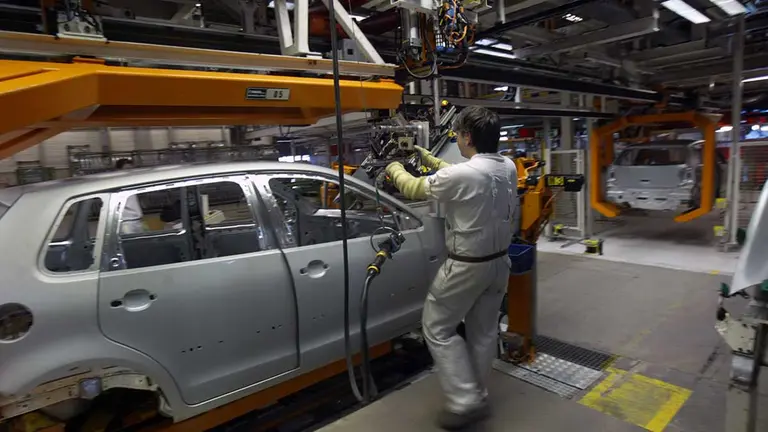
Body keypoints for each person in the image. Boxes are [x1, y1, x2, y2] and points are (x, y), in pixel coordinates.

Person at [385, 106, 517, 430]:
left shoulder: (463, 175)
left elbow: (415, 188)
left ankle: (463, 400)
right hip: (499, 264)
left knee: (437, 327)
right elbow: (460, 176)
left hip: (466, 267)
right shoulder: (508, 167)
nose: (456, 138)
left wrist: (392, 167)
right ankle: (478, 393)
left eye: (457, 133)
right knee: (484, 331)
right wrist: (426, 158)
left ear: (468, 136)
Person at [115, 159, 145, 234]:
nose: (130, 171)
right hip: (126, 221)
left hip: (137, 219)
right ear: (119, 170)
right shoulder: (117, 184)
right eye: (127, 169)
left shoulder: (132, 182)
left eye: (131, 169)